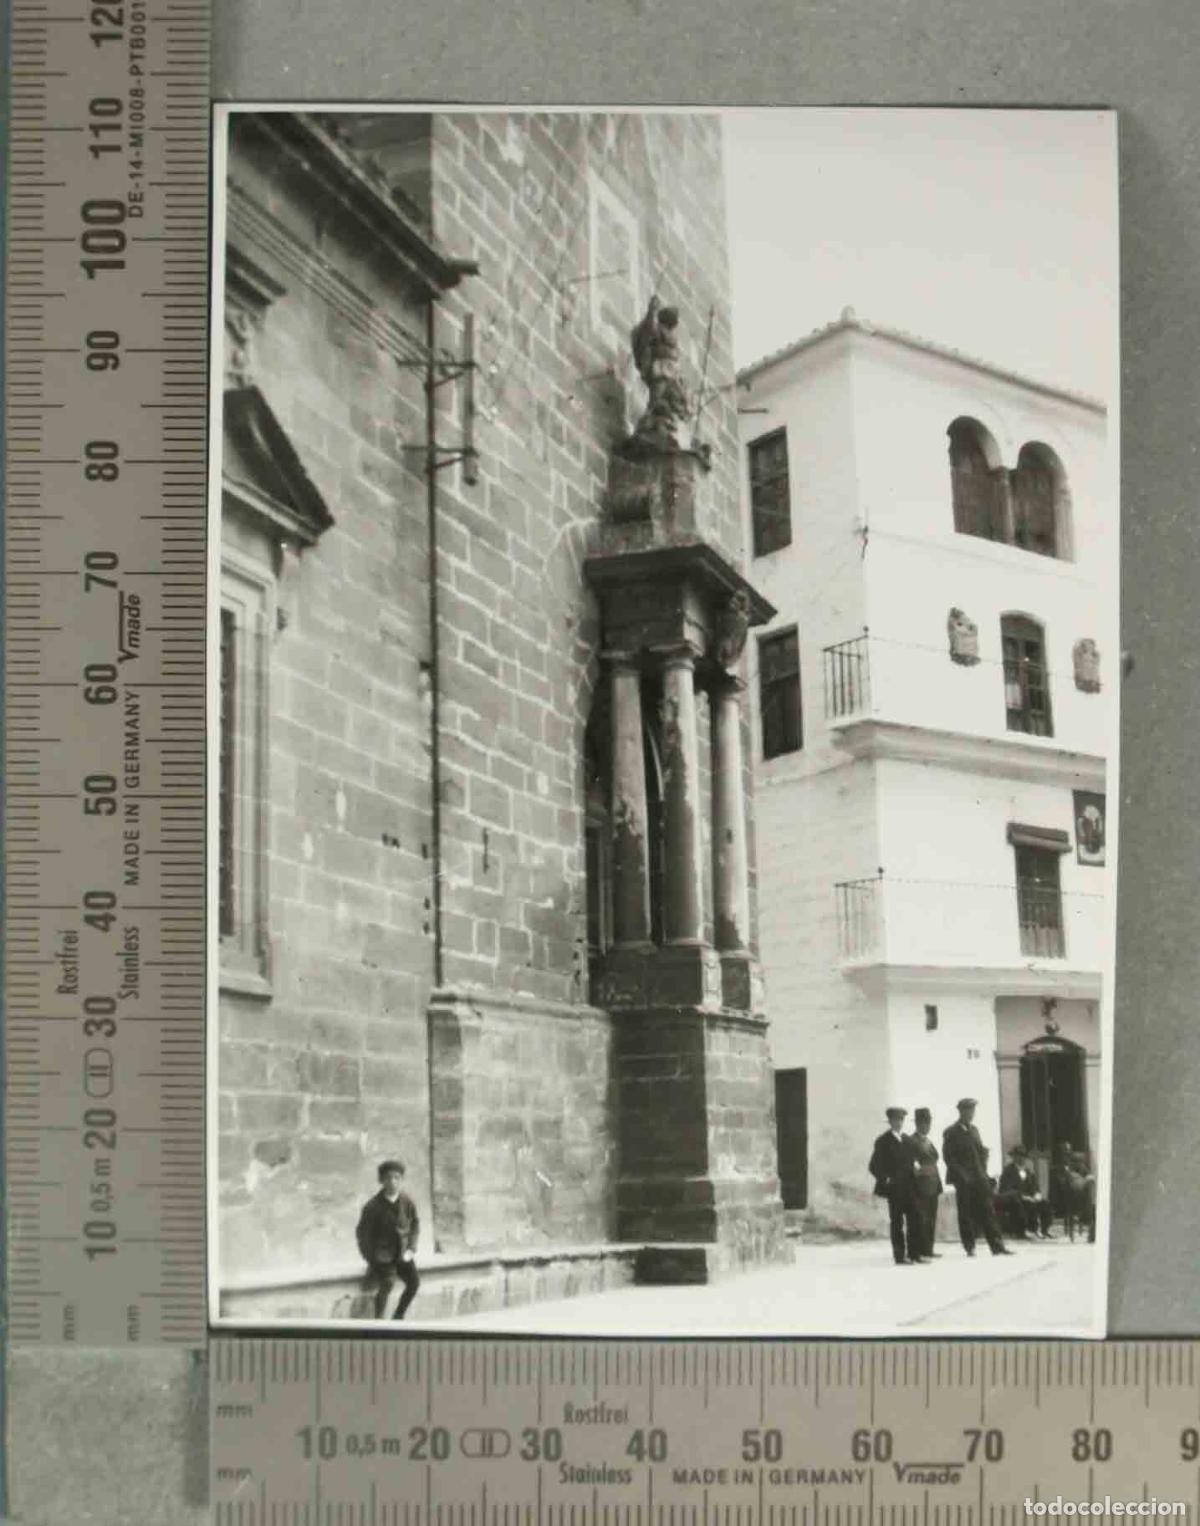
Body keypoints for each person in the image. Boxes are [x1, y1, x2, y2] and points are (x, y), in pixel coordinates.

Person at [941, 1099, 1013, 1258]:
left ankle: (997, 1246)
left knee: (988, 1211)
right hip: (964, 1180)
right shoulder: (951, 1132)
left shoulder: (975, 1130)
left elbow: (979, 1153)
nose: (972, 1114)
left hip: (979, 1178)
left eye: (973, 1111)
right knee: (965, 1213)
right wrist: (963, 1176)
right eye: (969, 1111)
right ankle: (970, 1246)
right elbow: (949, 1158)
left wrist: (985, 1170)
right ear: (961, 1112)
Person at [355, 1158, 421, 1320]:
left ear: (401, 1180)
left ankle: (398, 1316)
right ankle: (379, 1320)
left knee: (414, 1283)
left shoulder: (407, 1202)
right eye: (388, 1178)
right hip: (382, 1256)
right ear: (381, 1181)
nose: (392, 1182)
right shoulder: (373, 1206)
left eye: (396, 1178)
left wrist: (411, 1249)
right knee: (388, 1283)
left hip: (403, 1254)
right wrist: (371, 1257)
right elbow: (362, 1234)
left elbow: (415, 1225)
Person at [868, 1107, 919, 1265]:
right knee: (897, 1222)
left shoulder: (907, 1140)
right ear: (889, 1121)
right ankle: (899, 1256)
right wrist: (886, 1179)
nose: (898, 1123)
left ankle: (914, 1254)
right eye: (895, 1120)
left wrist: (915, 1166)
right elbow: (873, 1166)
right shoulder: (883, 1141)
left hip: (909, 1188)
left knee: (914, 1219)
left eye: (901, 1120)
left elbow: (912, 1160)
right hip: (895, 1189)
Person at [906, 1107, 943, 1261]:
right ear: (917, 1123)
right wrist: (920, 1172)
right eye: (923, 1122)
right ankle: (918, 1251)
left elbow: (934, 1161)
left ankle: (928, 1249)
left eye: (928, 1122)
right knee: (920, 1218)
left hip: (933, 1185)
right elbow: (912, 1164)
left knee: (931, 1219)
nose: (927, 1126)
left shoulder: (928, 1141)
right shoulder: (912, 1141)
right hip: (920, 1186)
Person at [996, 1146, 1054, 1239]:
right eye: (1018, 1156)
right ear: (1014, 1157)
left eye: (1023, 1156)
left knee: (1045, 1203)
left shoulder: (1028, 1171)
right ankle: (1022, 1232)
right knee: (1021, 1204)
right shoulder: (1008, 1171)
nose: (1021, 1158)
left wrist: (1037, 1194)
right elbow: (1006, 1189)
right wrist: (1023, 1196)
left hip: (1029, 1197)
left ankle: (1044, 1230)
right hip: (1013, 1198)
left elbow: (1035, 1186)